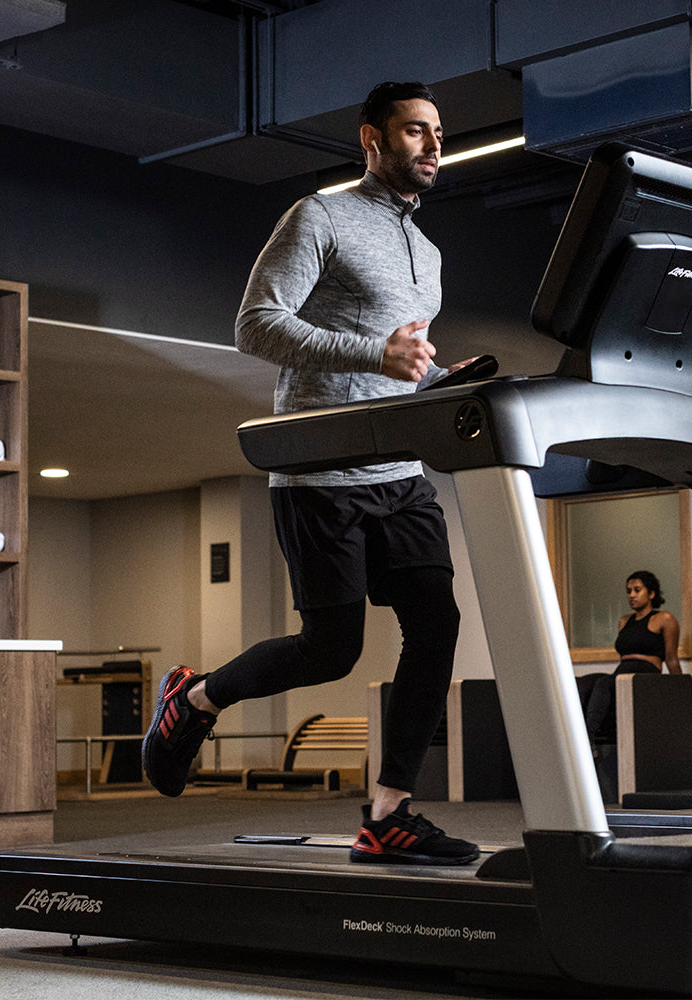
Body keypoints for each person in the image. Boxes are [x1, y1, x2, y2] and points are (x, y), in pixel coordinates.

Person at [142, 81, 481, 866]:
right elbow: (255, 326)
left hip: (399, 470)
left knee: (437, 623)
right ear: (372, 138)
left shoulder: (428, 254)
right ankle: (194, 698)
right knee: (331, 650)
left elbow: (400, 365)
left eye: (438, 132)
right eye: (415, 131)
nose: (433, 145)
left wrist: (440, 379)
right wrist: (374, 354)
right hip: (321, 472)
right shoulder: (319, 217)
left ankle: (390, 814)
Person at [579, 570, 681, 743]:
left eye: (637, 590)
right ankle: (575, 735)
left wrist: (680, 691)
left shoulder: (664, 619)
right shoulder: (624, 621)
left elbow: (671, 658)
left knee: (604, 683)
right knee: (582, 683)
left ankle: (587, 740)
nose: (632, 595)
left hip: (646, 673)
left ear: (651, 593)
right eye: (629, 591)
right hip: (622, 673)